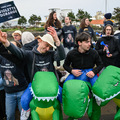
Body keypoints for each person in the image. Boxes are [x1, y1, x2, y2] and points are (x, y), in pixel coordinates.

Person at [0, 26, 65, 120]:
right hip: (35, 85)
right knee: (24, 100)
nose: (47, 48)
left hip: (51, 85)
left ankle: (64, 113)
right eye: (46, 45)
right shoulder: (30, 54)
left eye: (50, 47)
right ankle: (25, 116)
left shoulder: (50, 54)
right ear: (40, 40)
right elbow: (18, 52)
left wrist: (57, 40)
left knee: (63, 97)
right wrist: (6, 42)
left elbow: (62, 56)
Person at [0, 40, 28, 120]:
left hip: (21, 91)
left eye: (12, 46)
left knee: (24, 116)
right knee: (9, 116)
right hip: (9, 93)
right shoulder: (2, 58)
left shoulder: (20, 59)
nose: (9, 47)